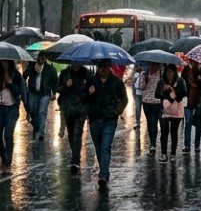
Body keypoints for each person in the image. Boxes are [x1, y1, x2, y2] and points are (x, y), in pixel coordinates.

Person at [83, 59, 128, 191]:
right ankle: (104, 170)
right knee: (98, 148)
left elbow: (124, 99)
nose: (103, 69)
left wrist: (116, 111)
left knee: (105, 147)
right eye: (101, 66)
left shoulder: (116, 82)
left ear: (109, 67)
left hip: (109, 120)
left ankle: (103, 175)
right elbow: (84, 99)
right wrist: (88, 93)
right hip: (95, 119)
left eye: (105, 66)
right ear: (97, 67)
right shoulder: (92, 81)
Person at [0, 59, 23, 174]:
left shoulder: (16, 75)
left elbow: (19, 91)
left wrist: (10, 83)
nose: (4, 65)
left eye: (6, 62)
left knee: (8, 135)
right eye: (2, 62)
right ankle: (4, 157)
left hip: (12, 108)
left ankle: (8, 163)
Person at [56, 62, 90, 174]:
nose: (76, 64)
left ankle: (75, 160)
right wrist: (66, 85)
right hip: (68, 108)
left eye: (78, 62)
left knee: (77, 133)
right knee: (71, 133)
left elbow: (91, 90)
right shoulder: (65, 73)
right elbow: (58, 88)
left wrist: (89, 92)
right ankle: (75, 153)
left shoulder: (87, 73)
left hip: (81, 109)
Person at [24, 53, 57, 141]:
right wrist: (32, 68)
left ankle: (41, 132)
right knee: (33, 110)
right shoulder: (32, 67)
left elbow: (54, 81)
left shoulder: (50, 69)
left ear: (45, 59)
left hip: (45, 93)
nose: (41, 60)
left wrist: (54, 93)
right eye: (39, 58)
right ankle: (37, 127)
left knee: (42, 111)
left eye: (43, 58)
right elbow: (24, 75)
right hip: (33, 92)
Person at [157, 64, 186, 162]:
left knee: (174, 132)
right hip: (164, 110)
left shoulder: (180, 81)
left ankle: (173, 153)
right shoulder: (161, 82)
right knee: (164, 132)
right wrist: (163, 90)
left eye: (171, 71)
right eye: (167, 71)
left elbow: (184, 93)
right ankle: (164, 153)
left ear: (175, 72)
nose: (169, 73)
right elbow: (157, 94)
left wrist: (174, 92)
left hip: (175, 111)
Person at [139, 62, 164, 154]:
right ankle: (152, 141)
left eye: (156, 65)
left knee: (154, 121)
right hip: (146, 102)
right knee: (149, 122)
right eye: (153, 65)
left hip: (157, 102)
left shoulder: (162, 73)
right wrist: (145, 81)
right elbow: (141, 87)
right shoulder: (144, 73)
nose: (155, 66)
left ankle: (153, 144)